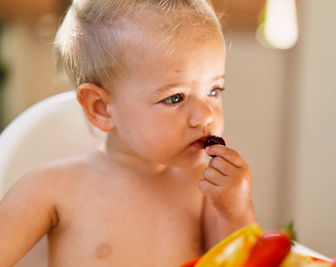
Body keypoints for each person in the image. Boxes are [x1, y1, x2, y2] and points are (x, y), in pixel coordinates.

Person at [0, 0, 257, 266]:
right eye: (175, 98)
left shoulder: (206, 189)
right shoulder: (50, 189)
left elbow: (240, 262)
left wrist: (234, 210)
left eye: (214, 91)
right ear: (102, 108)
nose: (206, 115)